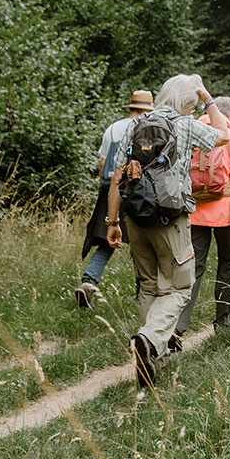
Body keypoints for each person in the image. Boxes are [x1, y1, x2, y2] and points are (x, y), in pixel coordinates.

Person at [105, 74, 228, 386]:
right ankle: (148, 340)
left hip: (135, 216)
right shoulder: (184, 124)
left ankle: (150, 357)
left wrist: (112, 221)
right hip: (170, 218)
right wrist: (208, 99)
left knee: (148, 285)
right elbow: (224, 135)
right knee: (180, 288)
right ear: (188, 103)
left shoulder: (136, 125)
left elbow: (117, 176)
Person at [176, 96, 230, 338]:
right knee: (227, 263)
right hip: (227, 214)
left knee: (194, 267)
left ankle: (179, 324)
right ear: (229, 117)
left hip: (196, 210)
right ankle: (223, 322)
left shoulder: (192, 132)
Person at [75, 90, 154, 308]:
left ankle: (89, 281)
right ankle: (143, 291)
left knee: (106, 241)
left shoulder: (112, 128)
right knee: (141, 243)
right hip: (136, 191)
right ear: (147, 110)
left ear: (131, 108)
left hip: (110, 190)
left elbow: (103, 165)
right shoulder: (145, 129)